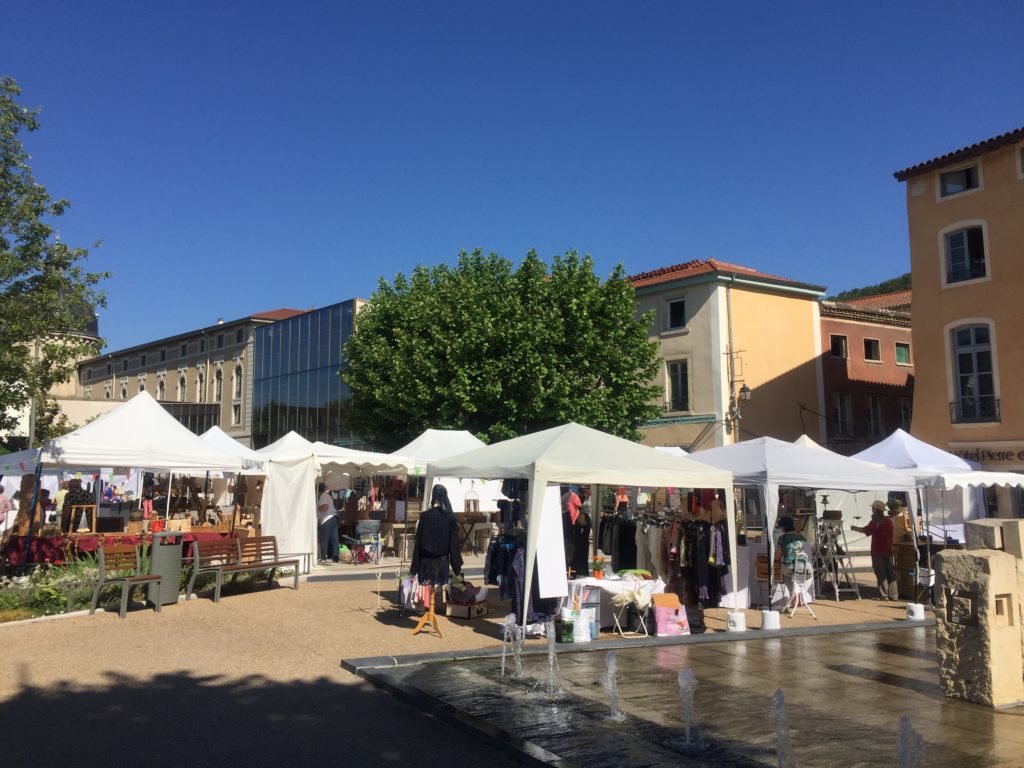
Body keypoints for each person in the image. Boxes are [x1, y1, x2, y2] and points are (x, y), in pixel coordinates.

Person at [411, 484, 463, 586]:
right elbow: (454, 545)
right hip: (442, 564)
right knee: (440, 593)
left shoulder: (425, 516)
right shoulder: (449, 518)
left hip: (424, 563)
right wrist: (457, 568)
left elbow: (418, 543)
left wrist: (414, 569)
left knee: (426, 595)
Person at [852, 500, 897, 600]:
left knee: (881, 573)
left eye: (873, 509)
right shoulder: (888, 521)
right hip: (888, 550)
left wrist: (855, 528)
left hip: (878, 551)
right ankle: (894, 595)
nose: (872, 511)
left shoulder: (876, 522)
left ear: (876, 510)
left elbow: (866, 530)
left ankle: (884, 595)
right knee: (890, 572)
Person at [775, 515, 807, 609]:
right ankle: (798, 593)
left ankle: (792, 595)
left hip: (790, 567)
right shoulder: (801, 537)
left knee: (786, 574)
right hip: (803, 568)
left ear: (783, 527)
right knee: (799, 575)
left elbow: (777, 556)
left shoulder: (782, 538)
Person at [317, 482, 339, 564]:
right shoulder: (328, 496)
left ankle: (324, 557)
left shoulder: (323, 496)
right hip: (333, 517)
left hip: (326, 519)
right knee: (334, 539)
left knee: (324, 539)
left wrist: (318, 509)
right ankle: (336, 556)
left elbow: (325, 507)